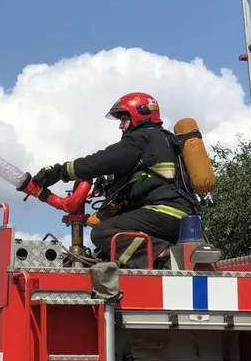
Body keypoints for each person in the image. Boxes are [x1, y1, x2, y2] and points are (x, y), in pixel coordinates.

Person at [23, 92, 197, 269]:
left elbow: (101, 162)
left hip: (164, 211)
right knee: (110, 249)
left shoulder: (142, 138)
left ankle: (162, 256)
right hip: (181, 217)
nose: (121, 126)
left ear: (139, 114)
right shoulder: (164, 140)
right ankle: (157, 258)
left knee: (104, 233)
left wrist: (59, 172)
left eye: (124, 119)